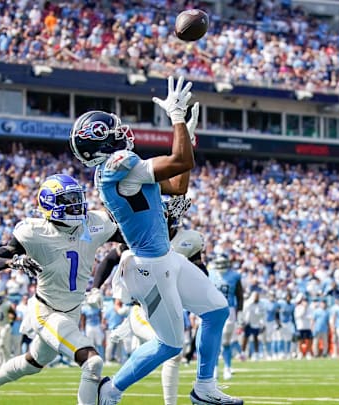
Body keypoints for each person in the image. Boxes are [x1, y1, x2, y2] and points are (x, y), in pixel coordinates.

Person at [71, 75, 239, 405]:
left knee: (217, 310)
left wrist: (186, 139)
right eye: (114, 130)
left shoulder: (118, 168)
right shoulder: (119, 163)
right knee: (170, 344)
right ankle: (110, 391)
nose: (122, 133)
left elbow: (177, 185)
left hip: (165, 258)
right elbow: (180, 162)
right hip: (149, 265)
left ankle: (205, 388)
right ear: (102, 141)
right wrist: (177, 119)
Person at [0, 174, 121, 405]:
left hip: (72, 311)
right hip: (47, 312)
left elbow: (131, 238)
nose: (76, 204)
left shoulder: (94, 223)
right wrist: (13, 262)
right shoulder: (35, 232)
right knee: (93, 362)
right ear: (51, 204)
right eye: (69, 199)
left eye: (77, 198)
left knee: (33, 363)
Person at [90, 194, 204, 405]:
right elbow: (110, 259)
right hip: (143, 309)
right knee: (171, 348)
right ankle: (112, 389)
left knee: (173, 349)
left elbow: (199, 269)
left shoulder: (189, 239)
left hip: (169, 306)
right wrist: (95, 288)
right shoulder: (140, 235)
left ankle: (112, 389)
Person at [209, 254, 243, 380]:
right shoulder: (209, 274)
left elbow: (240, 296)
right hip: (213, 309)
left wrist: (240, 313)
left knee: (225, 342)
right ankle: (215, 368)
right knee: (214, 342)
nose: (221, 267)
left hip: (229, 310)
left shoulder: (234, 276)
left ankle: (227, 367)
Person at [241, 292, 264, 361]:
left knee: (256, 339)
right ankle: (243, 354)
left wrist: (262, 324)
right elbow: (244, 312)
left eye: (258, 296)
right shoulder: (248, 303)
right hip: (248, 323)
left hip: (256, 323)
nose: (257, 298)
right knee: (245, 338)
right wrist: (243, 322)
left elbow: (262, 315)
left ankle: (256, 354)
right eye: (256, 296)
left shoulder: (261, 304)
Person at [294, 294, 313, 359]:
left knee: (309, 340)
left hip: (307, 326)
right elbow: (299, 316)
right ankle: (300, 353)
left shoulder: (310, 308)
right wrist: (304, 309)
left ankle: (308, 352)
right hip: (300, 326)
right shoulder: (298, 308)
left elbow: (310, 316)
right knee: (300, 340)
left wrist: (305, 316)